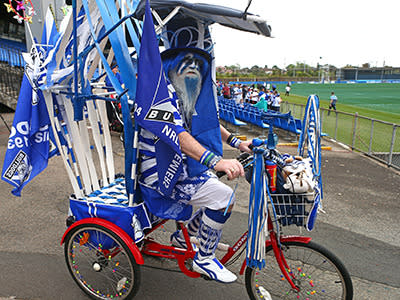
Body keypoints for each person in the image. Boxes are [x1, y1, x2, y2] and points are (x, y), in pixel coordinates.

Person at [138, 47, 252, 283]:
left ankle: (185, 237)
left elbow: (206, 121)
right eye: (186, 62)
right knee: (224, 197)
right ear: (170, 66)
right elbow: (176, 134)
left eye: (198, 65)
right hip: (161, 174)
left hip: (182, 167)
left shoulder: (183, 91)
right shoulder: (157, 93)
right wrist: (217, 161)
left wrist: (237, 142)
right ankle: (204, 257)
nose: (194, 68)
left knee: (219, 194)